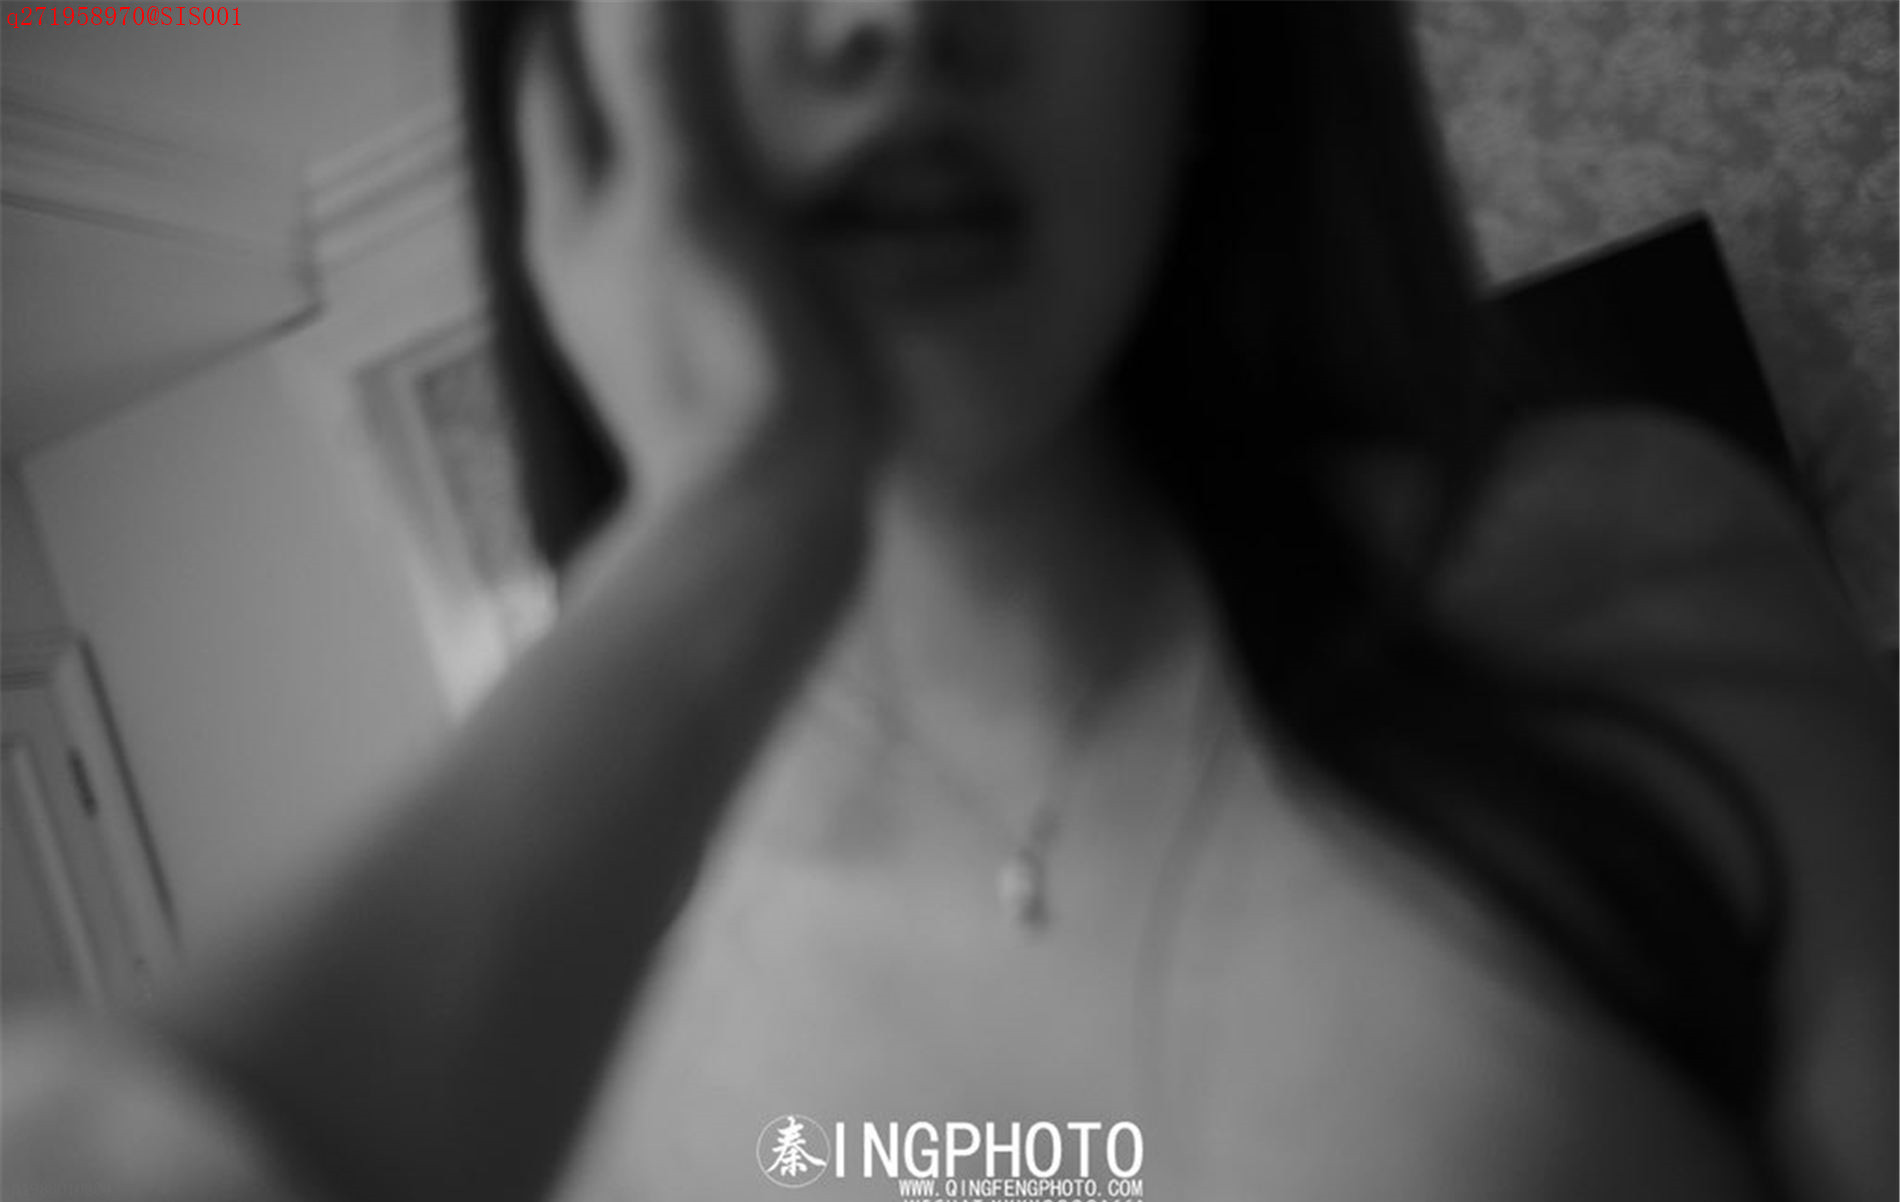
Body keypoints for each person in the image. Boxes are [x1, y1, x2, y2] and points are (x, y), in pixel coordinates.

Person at [4, 3, 1893, 1200]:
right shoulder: (550, 984)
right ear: (563, 75)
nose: (896, 24)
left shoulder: (1624, 571)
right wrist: (740, 514)